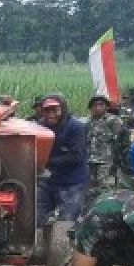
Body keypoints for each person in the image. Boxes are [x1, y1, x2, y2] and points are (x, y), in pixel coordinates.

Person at [36, 94, 89, 227]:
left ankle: (63, 246)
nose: (50, 114)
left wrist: (45, 161)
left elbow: (76, 157)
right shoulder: (39, 126)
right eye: (47, 110)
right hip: (47, 182)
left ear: (63, 110)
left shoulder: (76, 127)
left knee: (66, 222)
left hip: (71, 183)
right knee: (37, 220)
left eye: (55, 110)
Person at [85, 95, 131, 200]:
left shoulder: (114, 121)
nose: (97, 108)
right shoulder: (86, 122)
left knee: (105, 190)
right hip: (89, 161)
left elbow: (123, 141)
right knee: (89, 190)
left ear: (106, 107)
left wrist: (120, 161)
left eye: (101, 105)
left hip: (106, 161)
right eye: (95, 105)